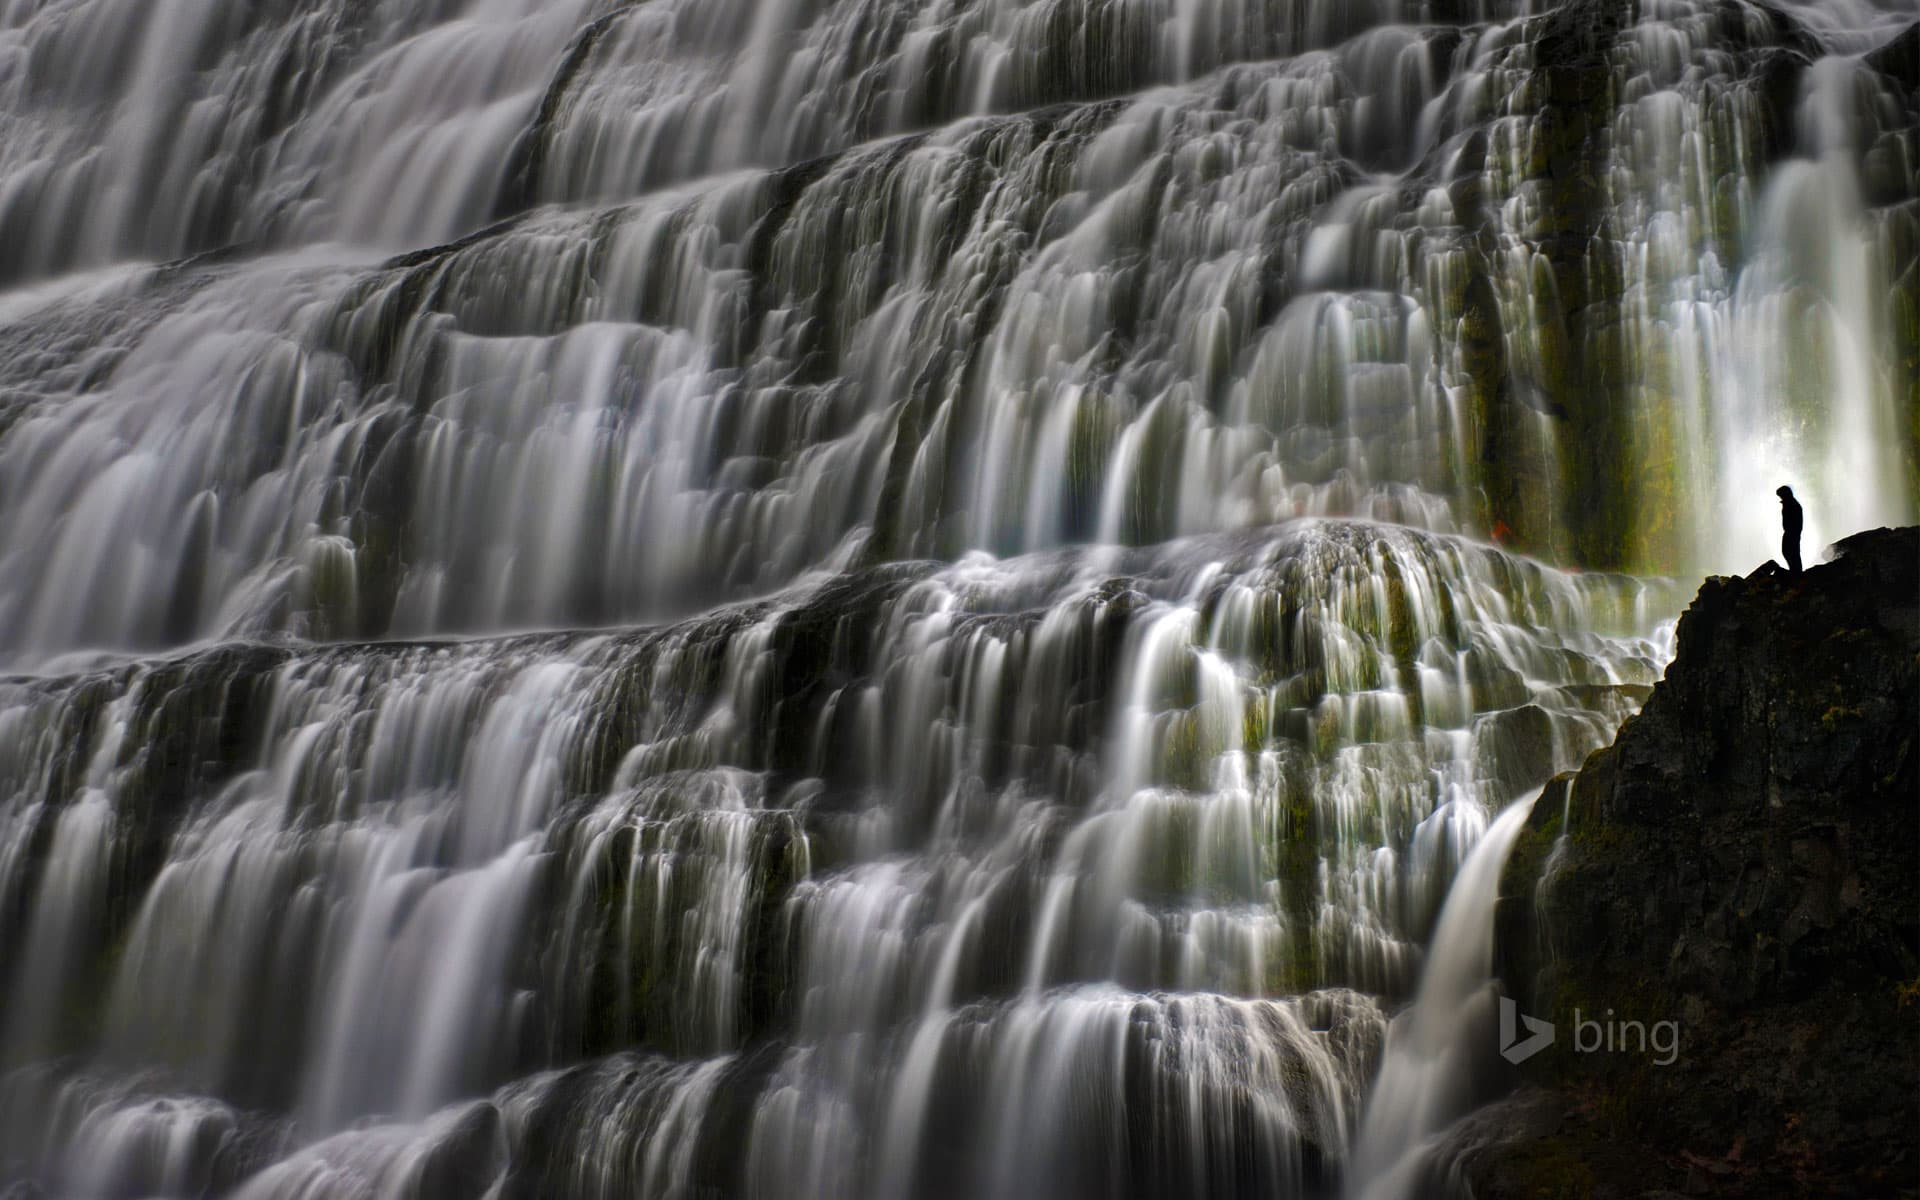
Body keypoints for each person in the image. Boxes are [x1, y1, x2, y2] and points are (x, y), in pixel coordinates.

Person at [1776, 485, 1802, 574]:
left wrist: (1792, 531)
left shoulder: (1792, 504)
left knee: (1791, 552)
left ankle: (1796, 573)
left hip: (1792, 532)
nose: (1780, 498)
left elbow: (1795, 521)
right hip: (1790, 532)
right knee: (1789, 552)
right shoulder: (1790, 503)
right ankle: (1795, 571)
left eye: (1781, 495)